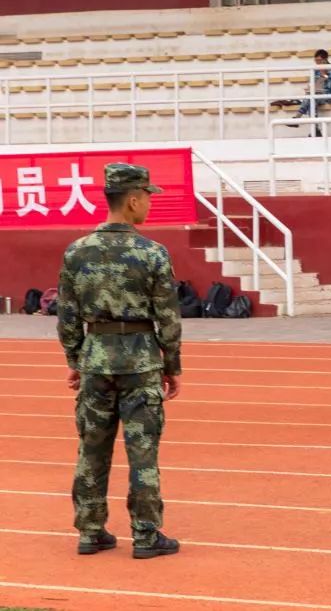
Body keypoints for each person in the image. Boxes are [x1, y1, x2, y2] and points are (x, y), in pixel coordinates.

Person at [57, 162, 183, 559]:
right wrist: (172, 365)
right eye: (146, 196)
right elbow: (168, 316)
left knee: (91, 448)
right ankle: (146, 534)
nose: (148, 203)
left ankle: (91, 530)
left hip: (96, 359)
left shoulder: (76, 252)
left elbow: (66, 315)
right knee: (142, 451)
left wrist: (76, 359)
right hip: (141, 361)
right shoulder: (152, 254)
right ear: (132, 200)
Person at [290, 48, 331, 137]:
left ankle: (298, 118)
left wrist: (324, 75)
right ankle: (315, 129)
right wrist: (310, 88)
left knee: (312, 98)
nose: (317, 63)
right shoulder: (316, 70)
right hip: (317, 95)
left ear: (325, 59)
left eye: (318, 60)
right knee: (311, 99)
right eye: (315, 60)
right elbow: (315, 84)